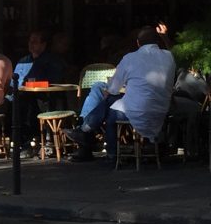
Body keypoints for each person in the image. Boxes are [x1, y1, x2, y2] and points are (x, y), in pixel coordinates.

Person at [65, 25, 175, 162]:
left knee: (109, 107)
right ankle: (87, 135)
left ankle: (90, 136)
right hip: (160, 110)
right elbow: (170, 50)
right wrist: (165, 37)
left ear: (138, 43)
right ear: (158, 42)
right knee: (109, 103)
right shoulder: (169, 57)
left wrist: (110, 92)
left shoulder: (130, 58)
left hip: (136, 111)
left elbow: (113, 88)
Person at [13, 30, 67, 156]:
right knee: (17, 106)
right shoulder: (23, 61)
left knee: (38, 105)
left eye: (35, 42)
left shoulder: (53, 61)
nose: (31, 44)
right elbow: (14, 82)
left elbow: (56, 80)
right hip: (26, 96)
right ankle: (26, 143)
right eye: (30, 41)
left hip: (47, 97)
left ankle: (46, 141)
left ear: (43, 45)